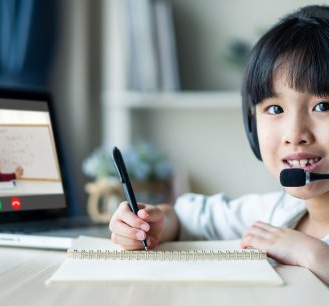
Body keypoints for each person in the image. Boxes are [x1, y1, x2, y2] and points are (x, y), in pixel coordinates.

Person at [109, 5, 329, 285]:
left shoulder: (287, 232)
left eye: (322, 105)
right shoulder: (278, 213)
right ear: (252, 126)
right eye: (274, 109)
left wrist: (314, 254)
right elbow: (189, 217)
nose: (295, 133)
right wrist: (153, 223)